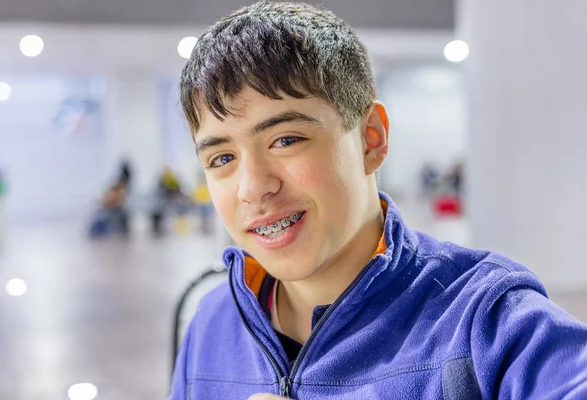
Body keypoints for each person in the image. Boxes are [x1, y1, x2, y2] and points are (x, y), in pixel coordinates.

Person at [170, 2, 587, 399]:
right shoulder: (213, 323)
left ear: (371, 139)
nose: (252, 187)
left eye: (286, 140)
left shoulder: (483, 319)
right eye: (222, 158)